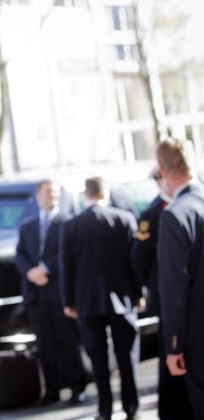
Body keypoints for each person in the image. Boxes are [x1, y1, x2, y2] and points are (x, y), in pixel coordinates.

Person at [61, 176, 143, 420]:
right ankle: (132, 407)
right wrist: (139, 294)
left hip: (88, 302)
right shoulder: (124, 219)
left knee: (98, 359)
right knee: (126, 356)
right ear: (105, 192)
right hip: (122, 298)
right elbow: (134, 263)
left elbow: (67, 267)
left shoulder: (72, 226)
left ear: (85, 195)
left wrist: (69, 301)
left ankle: (104, 410)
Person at [14, 180, 86, 405]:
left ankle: (76, 387)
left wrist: (46, 269)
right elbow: (20, 255)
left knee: (68, 341)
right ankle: (52, 389)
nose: (52, 196)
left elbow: (70, 254)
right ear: (38, 197)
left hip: (59, 292)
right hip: (36, 295)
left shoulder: (67, 221)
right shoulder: (27, 226)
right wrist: (31, 273)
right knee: (45, 345)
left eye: (55, 192)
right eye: (47, 192)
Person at [132, 166, 193, 419]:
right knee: (171, 350)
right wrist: (151, 285)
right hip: (167, 293)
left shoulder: (188, 204)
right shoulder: (153, 213)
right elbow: (139, 258)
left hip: (187, 294)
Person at [156, 138, 204, 417]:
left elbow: (174, 287)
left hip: (198, 336)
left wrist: (174, 346)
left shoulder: (175, 215)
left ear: (163, 171)